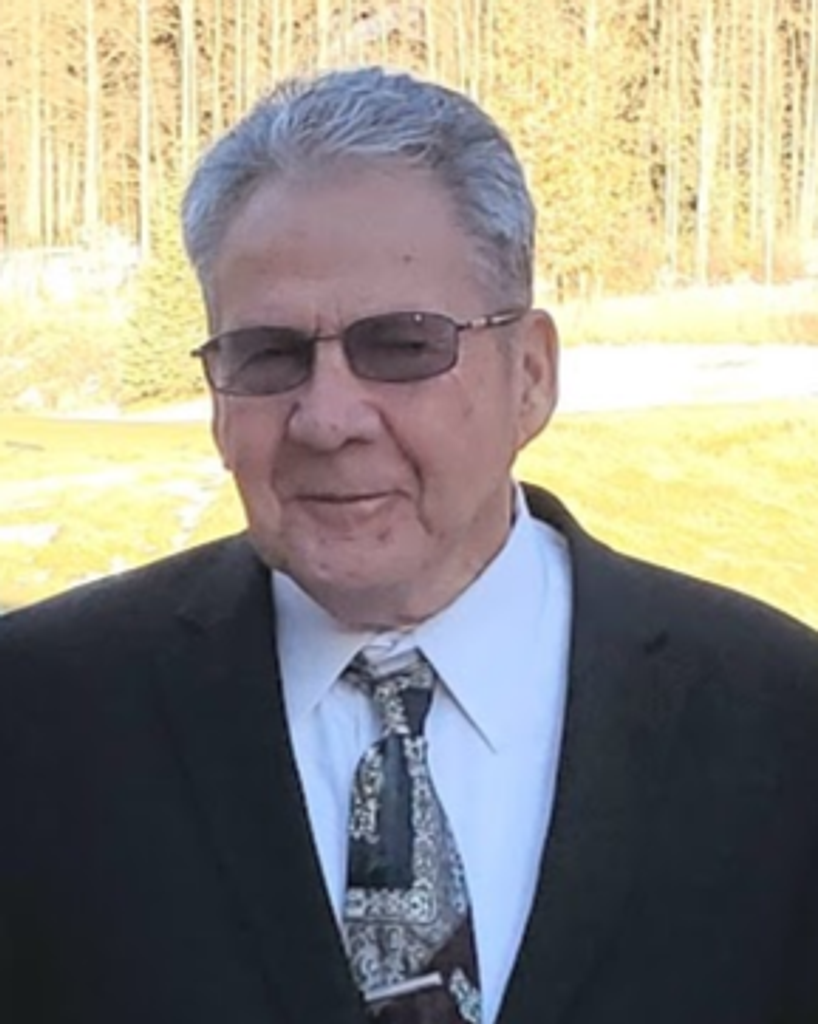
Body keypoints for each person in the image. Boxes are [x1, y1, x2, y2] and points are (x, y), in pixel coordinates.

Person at [1, 66, 818, 1024]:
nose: (328, 418)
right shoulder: (38, 715)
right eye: (268, 354)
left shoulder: (780, 720)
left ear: (531, 376)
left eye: (402, 345)